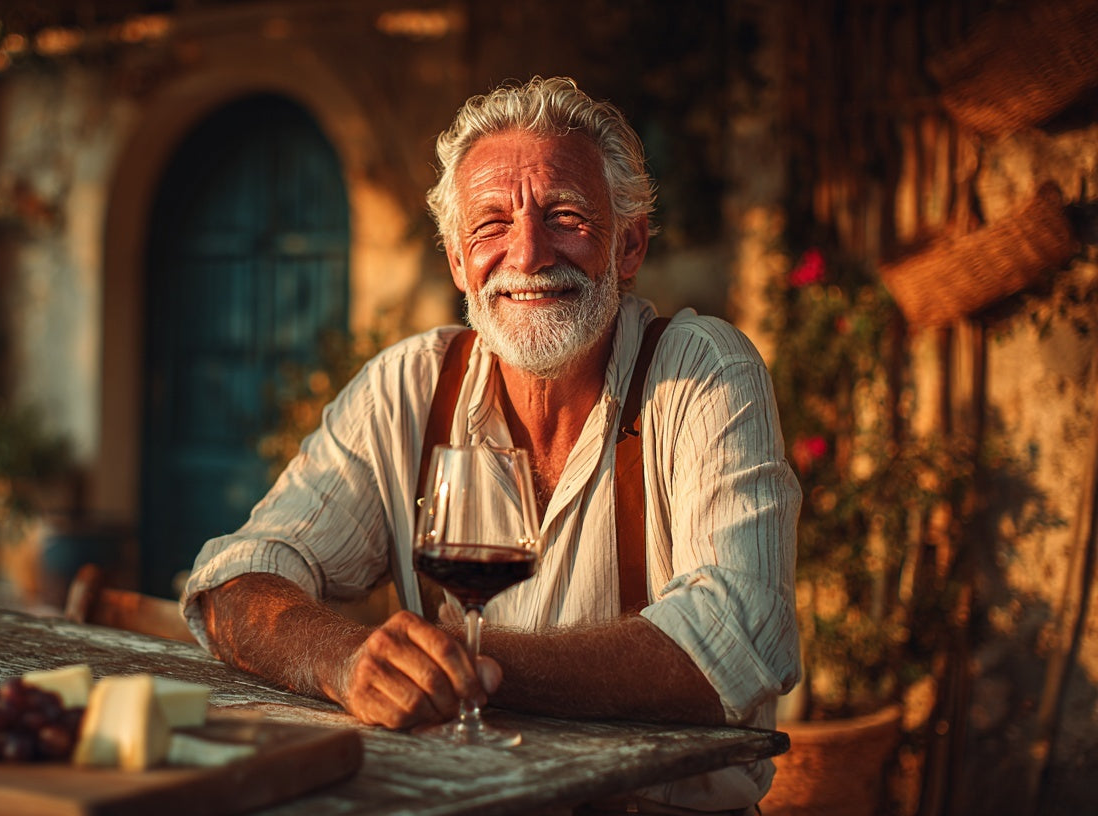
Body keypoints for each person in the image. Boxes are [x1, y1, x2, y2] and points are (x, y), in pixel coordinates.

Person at [182, 76, 801, 815]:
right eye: (490, 226)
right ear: (456, 262)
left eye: (565, 216)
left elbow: (736, 638)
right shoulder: (408, 385)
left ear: (628, 245)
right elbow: (233, 580)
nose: (528, 253)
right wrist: (344, 660)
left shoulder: (702, 372)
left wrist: (471, 662)